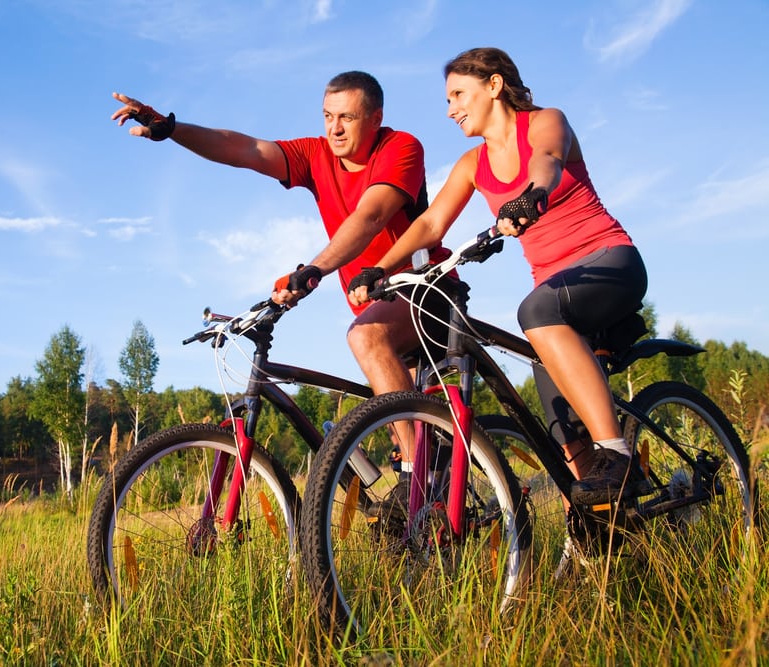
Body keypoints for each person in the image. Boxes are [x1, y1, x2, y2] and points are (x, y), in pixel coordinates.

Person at [347, 47, 650, 506]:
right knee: (561, 436)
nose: (450, 109)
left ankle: (619, 457)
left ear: (493, 85)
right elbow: (430, 225)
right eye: (447, 100)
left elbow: (546, 158)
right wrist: (382, 267)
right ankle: (604, 528)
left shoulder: (546, 121)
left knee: (534, 310)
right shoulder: (473, 163)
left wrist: (533, 195)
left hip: (608, 261)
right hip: (556, 293)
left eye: (457, 94)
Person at [111, 72, 453, 456]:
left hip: (427, 293)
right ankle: (428, 483)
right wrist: (172, 129)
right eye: (327, 116)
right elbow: (245, 150)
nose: (334, 129)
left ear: (375, 119)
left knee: (366, 343)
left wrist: (313, 269)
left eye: (347, 118)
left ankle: (414, 478)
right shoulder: (316, 155)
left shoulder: (400, 147)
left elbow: (370, 216)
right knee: (403, 424)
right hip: (372, 306)